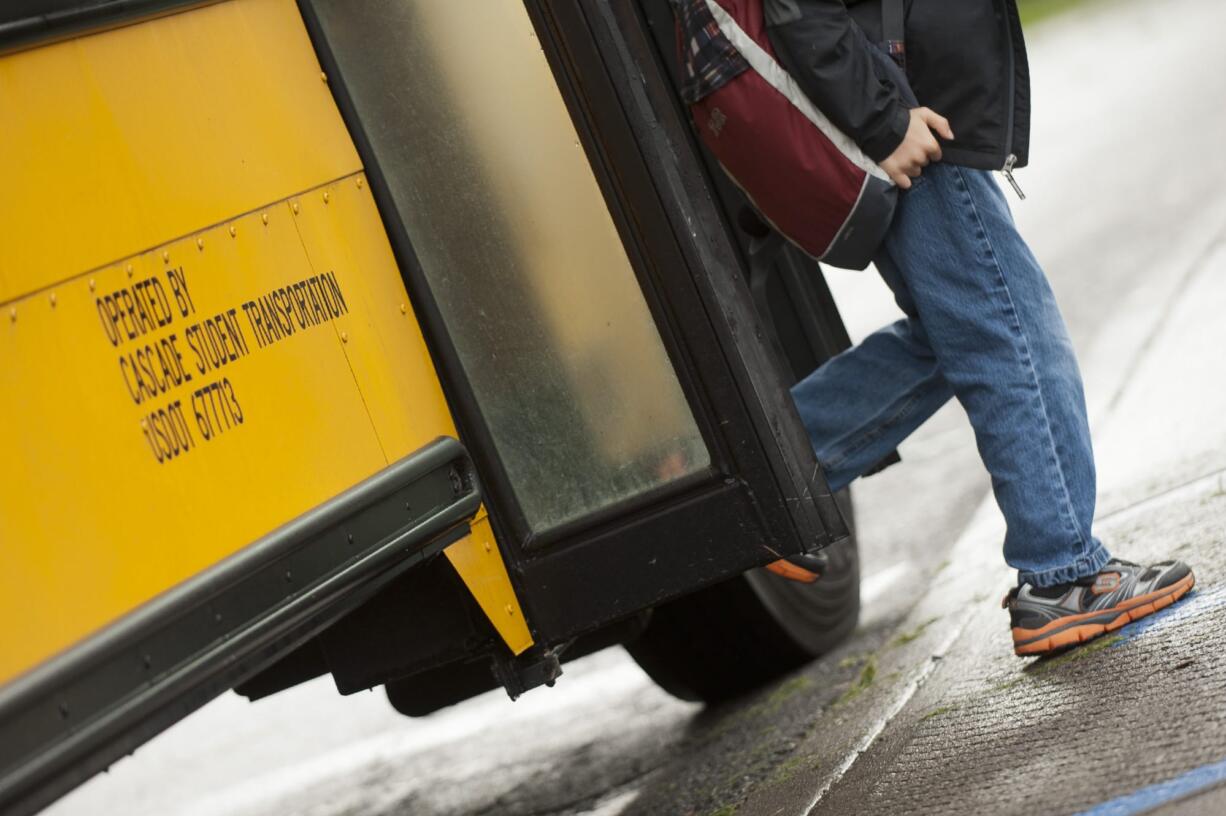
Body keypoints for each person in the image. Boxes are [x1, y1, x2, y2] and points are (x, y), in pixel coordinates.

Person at [762, 0, 1194, 655]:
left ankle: (766, 492)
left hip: (913, 100)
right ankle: (1063, 576)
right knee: (1010, 334)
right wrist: (883, 118)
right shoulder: (896, 113)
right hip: (907, 108)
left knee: (961, 333)